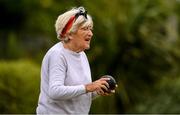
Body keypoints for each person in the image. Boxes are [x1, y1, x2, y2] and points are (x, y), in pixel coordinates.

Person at [36, 6, 115, 114]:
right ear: (69, 33)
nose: (90, 33)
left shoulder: (81, 54)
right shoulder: (58, 55)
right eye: (85, 29)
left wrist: (97, 90)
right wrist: (88, 87)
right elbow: (54, 92)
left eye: (90, 28)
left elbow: (79, 94)